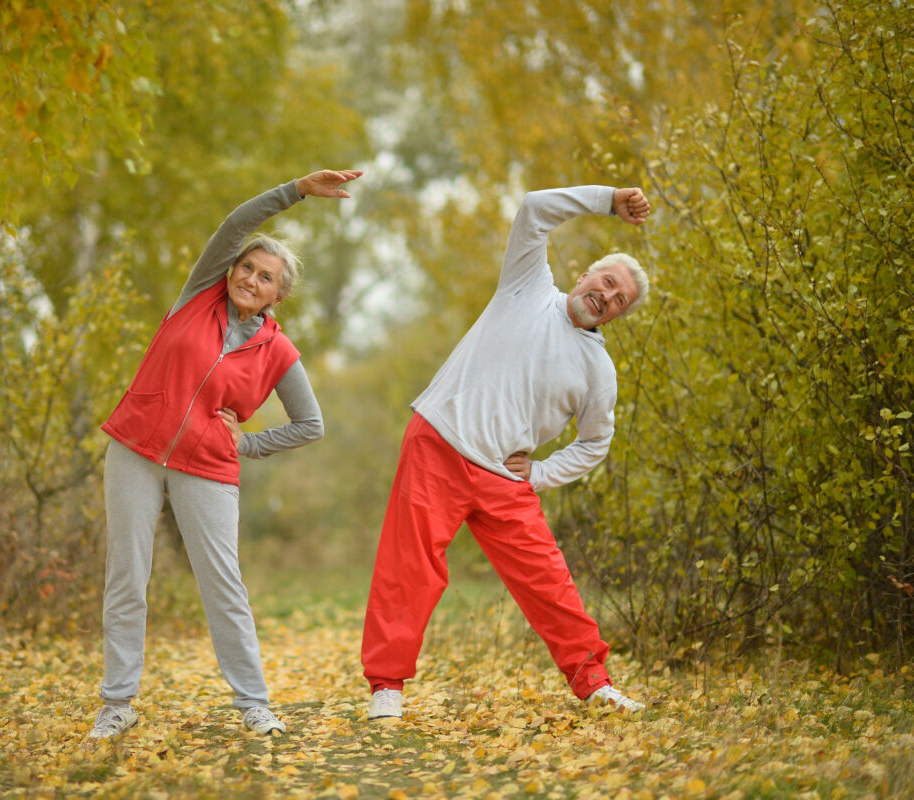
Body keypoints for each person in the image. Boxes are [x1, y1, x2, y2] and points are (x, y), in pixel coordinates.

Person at [90, 169, 363, 741]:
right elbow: (237, 223)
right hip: (135, 448)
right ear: (231, 269)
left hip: (208, 467)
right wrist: (296, 191)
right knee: (127, 577)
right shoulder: (200, 294)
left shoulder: (278, 351)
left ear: (277, 296)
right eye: (247, 267)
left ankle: (254, 705)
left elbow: (311, 425)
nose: (251, 279)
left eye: (266, 278)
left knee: (224, 587)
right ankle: (117, 705)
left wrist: (248, 443)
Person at [361, 184, 652, 720]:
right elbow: (535, 209)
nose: (608, 297)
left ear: (617, 316)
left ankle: (594, 684)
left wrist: (539, 472)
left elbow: (595, 442)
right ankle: (387, 687)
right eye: (607, 282)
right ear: (585, 274)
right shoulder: (528, 285)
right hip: (439, 443)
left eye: (619, 301)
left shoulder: (599, 371)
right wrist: (609, 200)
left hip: (504, 477)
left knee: (548, 580)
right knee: (410, 567)